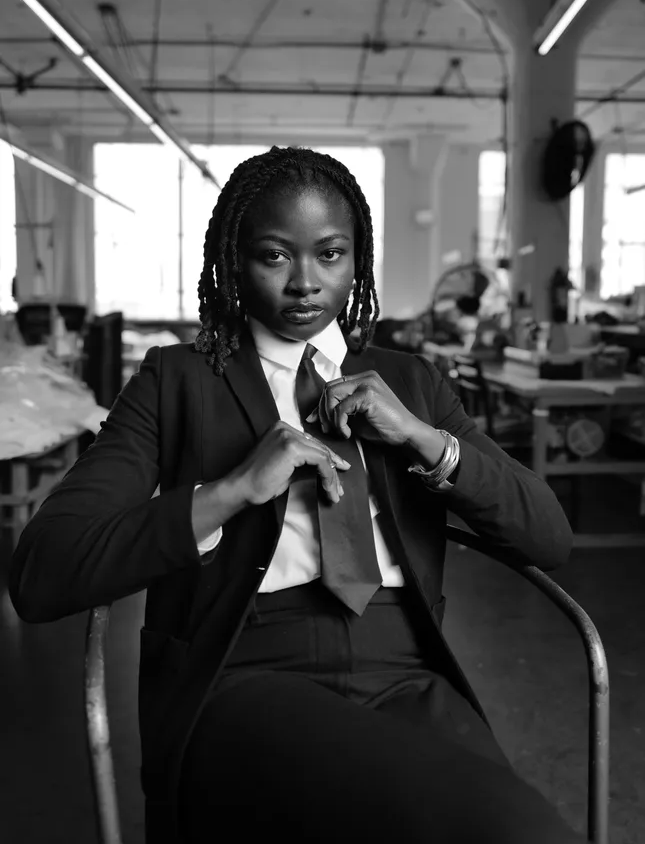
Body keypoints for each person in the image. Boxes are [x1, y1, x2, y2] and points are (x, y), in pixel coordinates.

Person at [9, 146, 583, 844]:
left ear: (357, 261)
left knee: (519, 825)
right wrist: (231, 490)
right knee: (488, 823)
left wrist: (423, 438)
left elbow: (548, 538)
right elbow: (42, 573)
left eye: (331, 254)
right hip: (244, 671)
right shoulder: (177, 381)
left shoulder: (412, 382)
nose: (306, 282)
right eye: (275, 256)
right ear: (234, 262)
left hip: (406, 671)